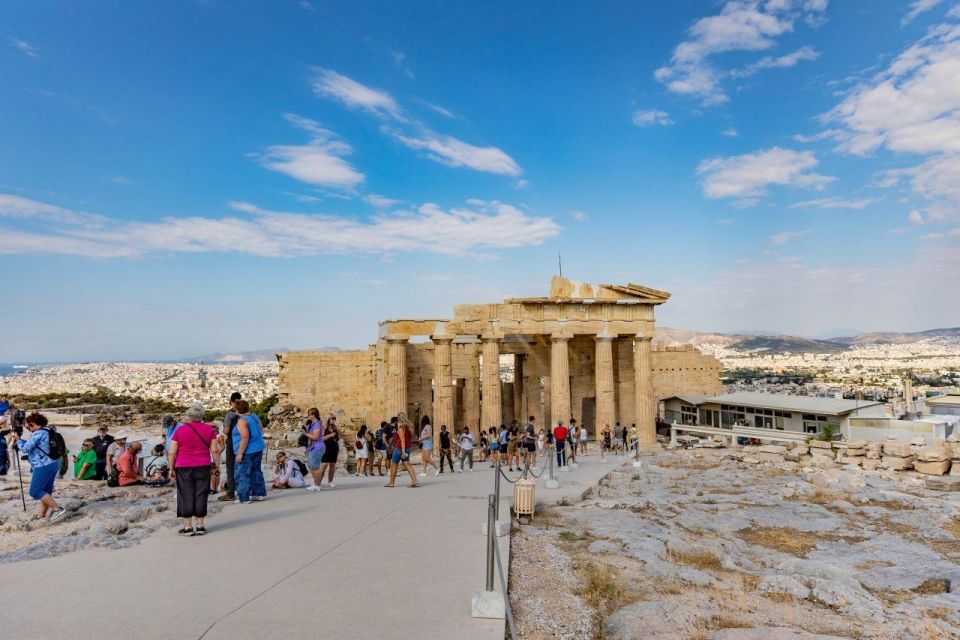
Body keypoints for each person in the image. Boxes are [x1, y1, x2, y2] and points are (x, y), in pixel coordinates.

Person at [168, 402, 219, 535]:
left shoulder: (180, 430)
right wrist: (217, 465)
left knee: (185, 494)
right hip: (203, 465)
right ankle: (200, 525)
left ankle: (188, 527)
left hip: (183, 466)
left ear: (189, 416)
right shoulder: (209, 430)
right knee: (201, 493)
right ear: (202, 416)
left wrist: (171, 468)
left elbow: (172, 452)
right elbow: (214, 450)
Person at [6, 413, 66, 521]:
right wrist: (21, 441)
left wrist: (18, 439)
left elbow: (25, 449)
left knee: (35, 491)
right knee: (45, 491)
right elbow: (34, 445)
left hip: (43, 465)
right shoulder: (47, 430)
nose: (28, 428)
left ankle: (57, 509)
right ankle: (41, 515)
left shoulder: (38, 433)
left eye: (29, 426)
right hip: (53, 463)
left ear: (33, 424)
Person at [233, 400, 267, 503]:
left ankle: (244, 497)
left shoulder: (242, 420)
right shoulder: (254, 416)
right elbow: (260, 428)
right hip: (258, 447)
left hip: (247, 450)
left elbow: (244, 437)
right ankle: (258, 493)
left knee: (243, 473)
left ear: (237, 409)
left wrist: (240, 453)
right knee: (256, 470)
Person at [217, 391, 242, 502]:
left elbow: (226, 430)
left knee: (230, 468)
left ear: (231, 401)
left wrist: (223, 430)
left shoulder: (230, 414)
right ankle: (244, 490)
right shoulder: (245, 413)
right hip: (244, 441)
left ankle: (230, 493)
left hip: (232, 442)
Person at [385, 414, 418, 487]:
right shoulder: (409, 427)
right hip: (408, 448)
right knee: (407, 464)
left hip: (400, 448)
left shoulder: (401, 428)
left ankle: (391, 483)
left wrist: (403, 451)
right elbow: (411, 438)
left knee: (394, 465)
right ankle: (415, 480)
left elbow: (402, 440)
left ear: (398, 420)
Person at [303, 408, 326, 491]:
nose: (308, 416)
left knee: (314, 467)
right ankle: (316, 483)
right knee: (311, 466)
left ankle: (317, 485)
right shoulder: (312, 423)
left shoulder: (317, 424)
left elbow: (315, 437)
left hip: (317, 447)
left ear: (313, 415)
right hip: (311, 448)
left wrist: (305, 434)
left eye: (309, 414)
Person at [318, 415, 340, 489]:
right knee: (324, 466)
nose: (333, 420)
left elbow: (338, 438)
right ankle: (318, 482)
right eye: (332, 419)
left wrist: (336, 435)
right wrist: (330, 435)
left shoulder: (335, 427)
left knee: (332, 465)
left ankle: (330, 481)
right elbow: (321, 439)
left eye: (334, 419)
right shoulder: (324, 428)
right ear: (328, 419)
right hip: (326, 448)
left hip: (334, 448)